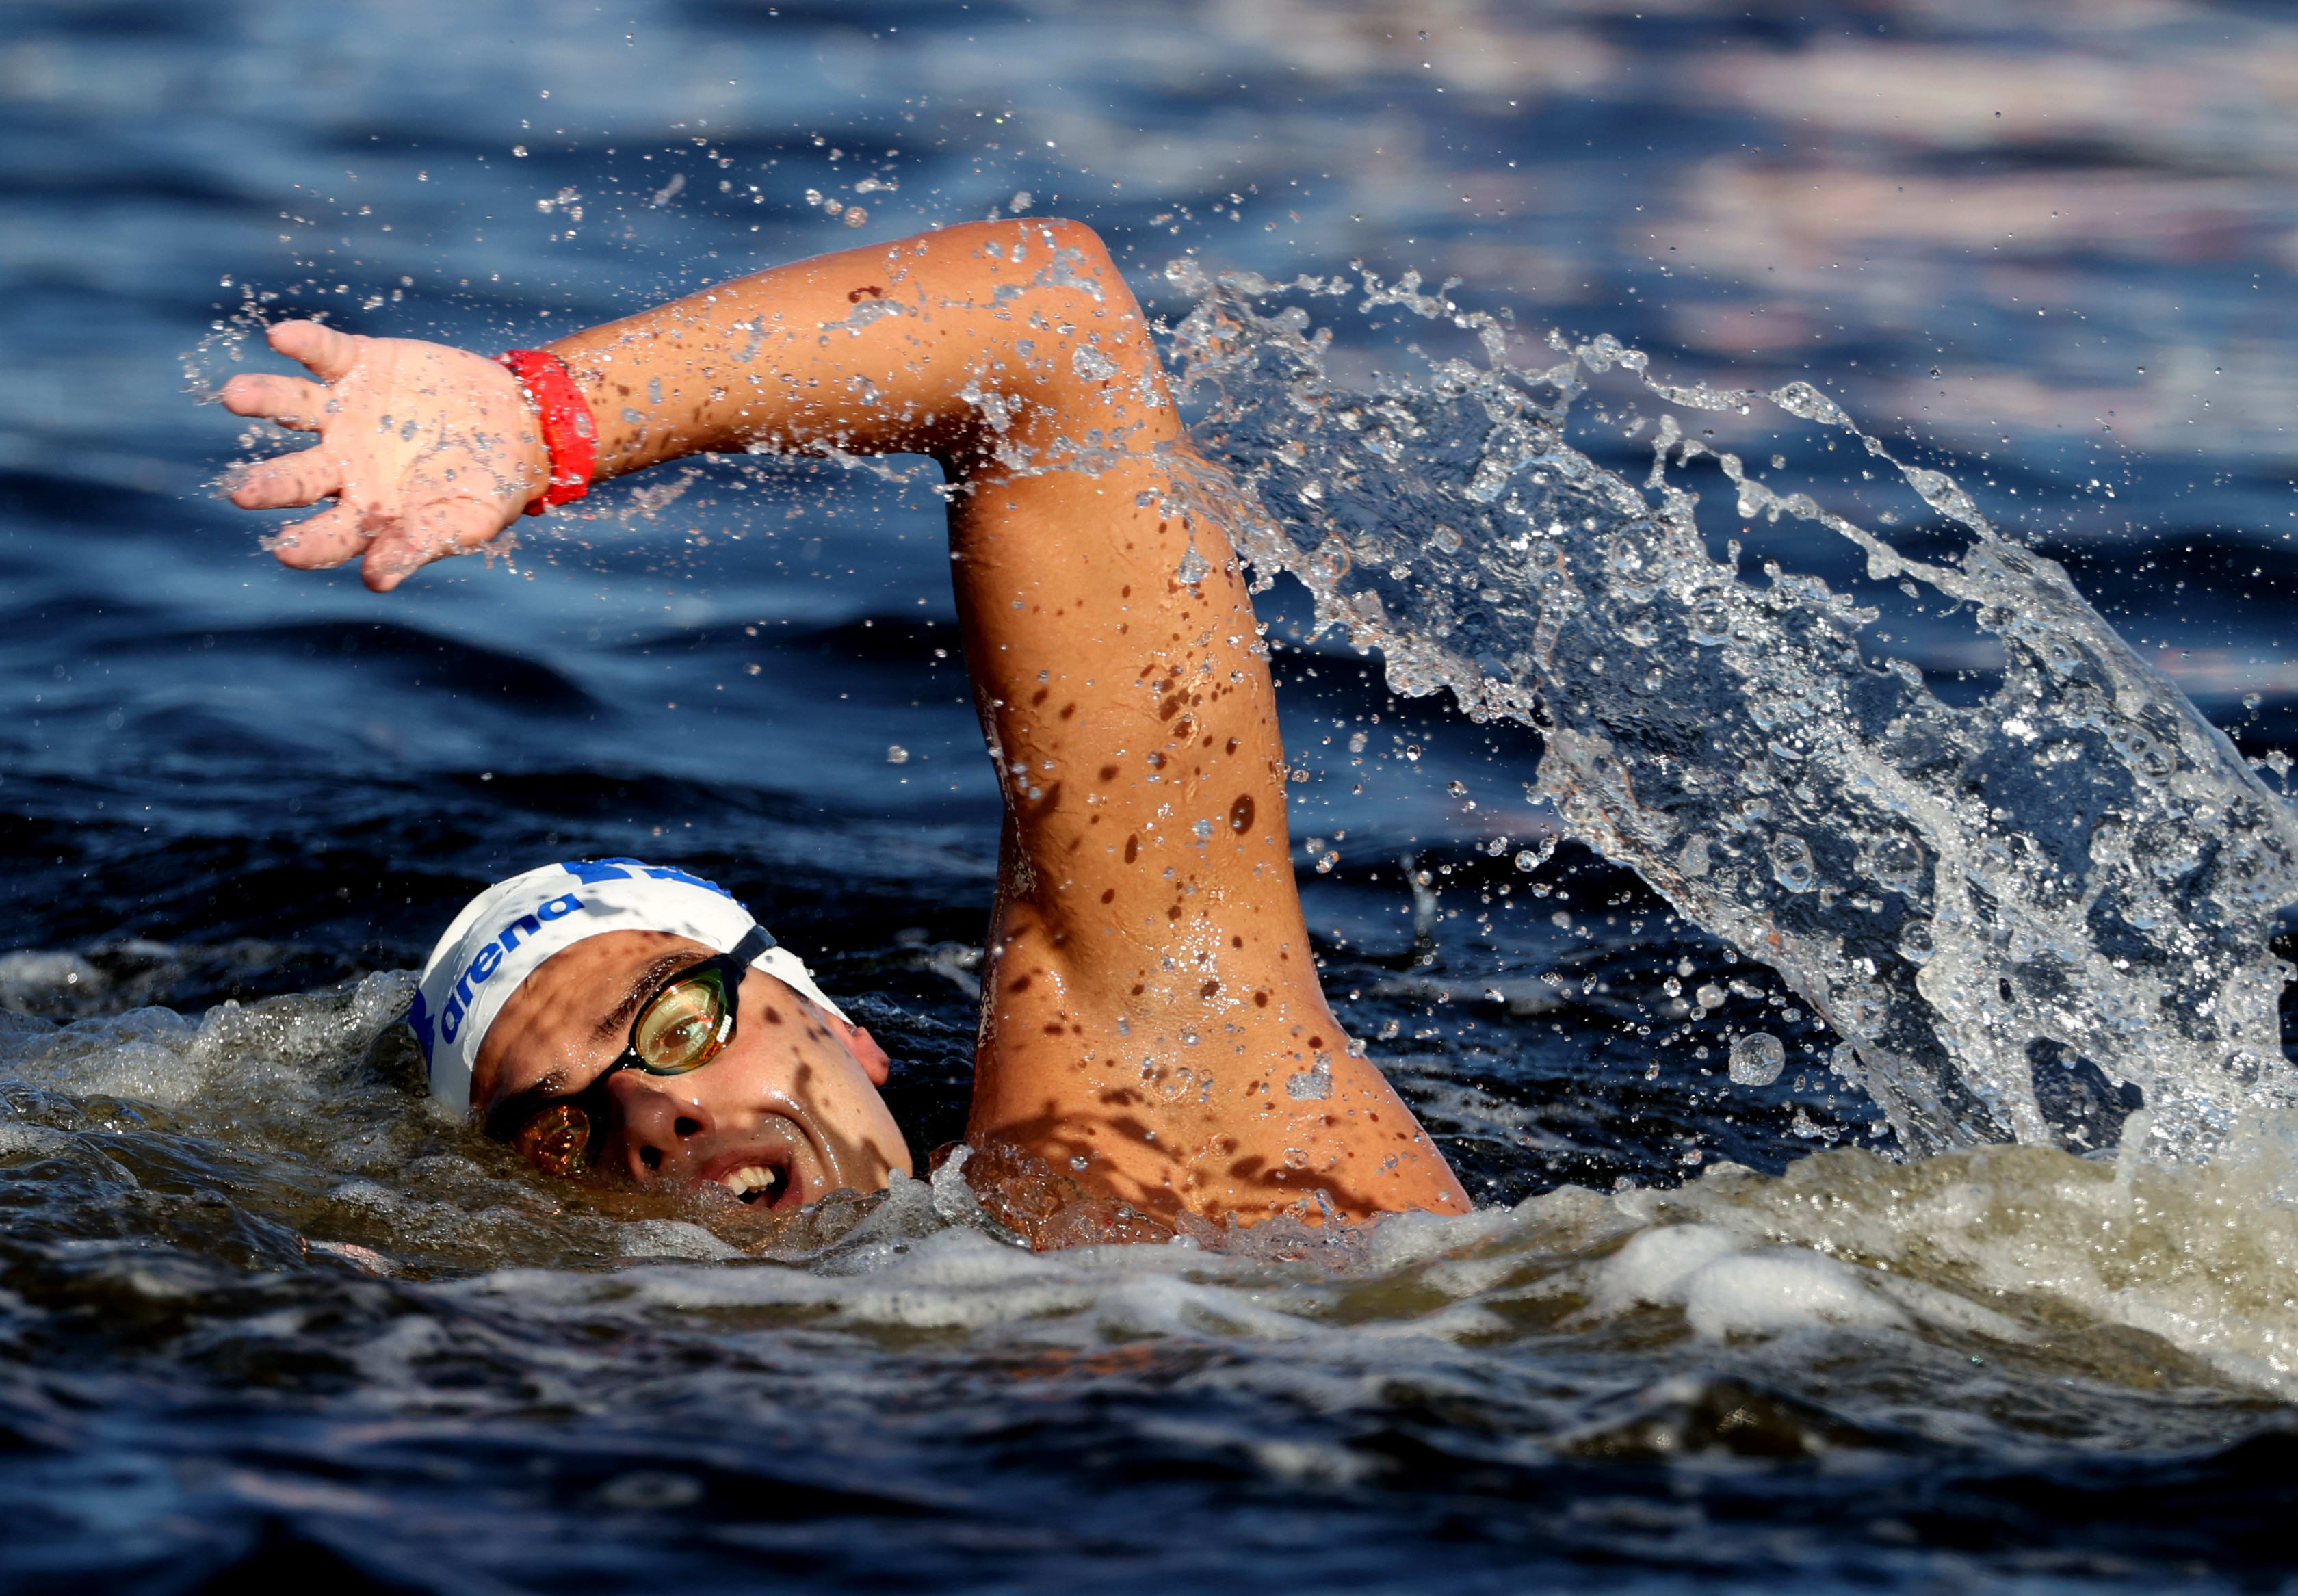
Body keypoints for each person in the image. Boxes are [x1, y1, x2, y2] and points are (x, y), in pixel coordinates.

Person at [218, 218, 1472, 1248]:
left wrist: (547, 419)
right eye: (554, 1133)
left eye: (678, 1024)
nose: (652, 1114)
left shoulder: (1151, 1139)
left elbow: (1048, 327)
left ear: (846, 1035)